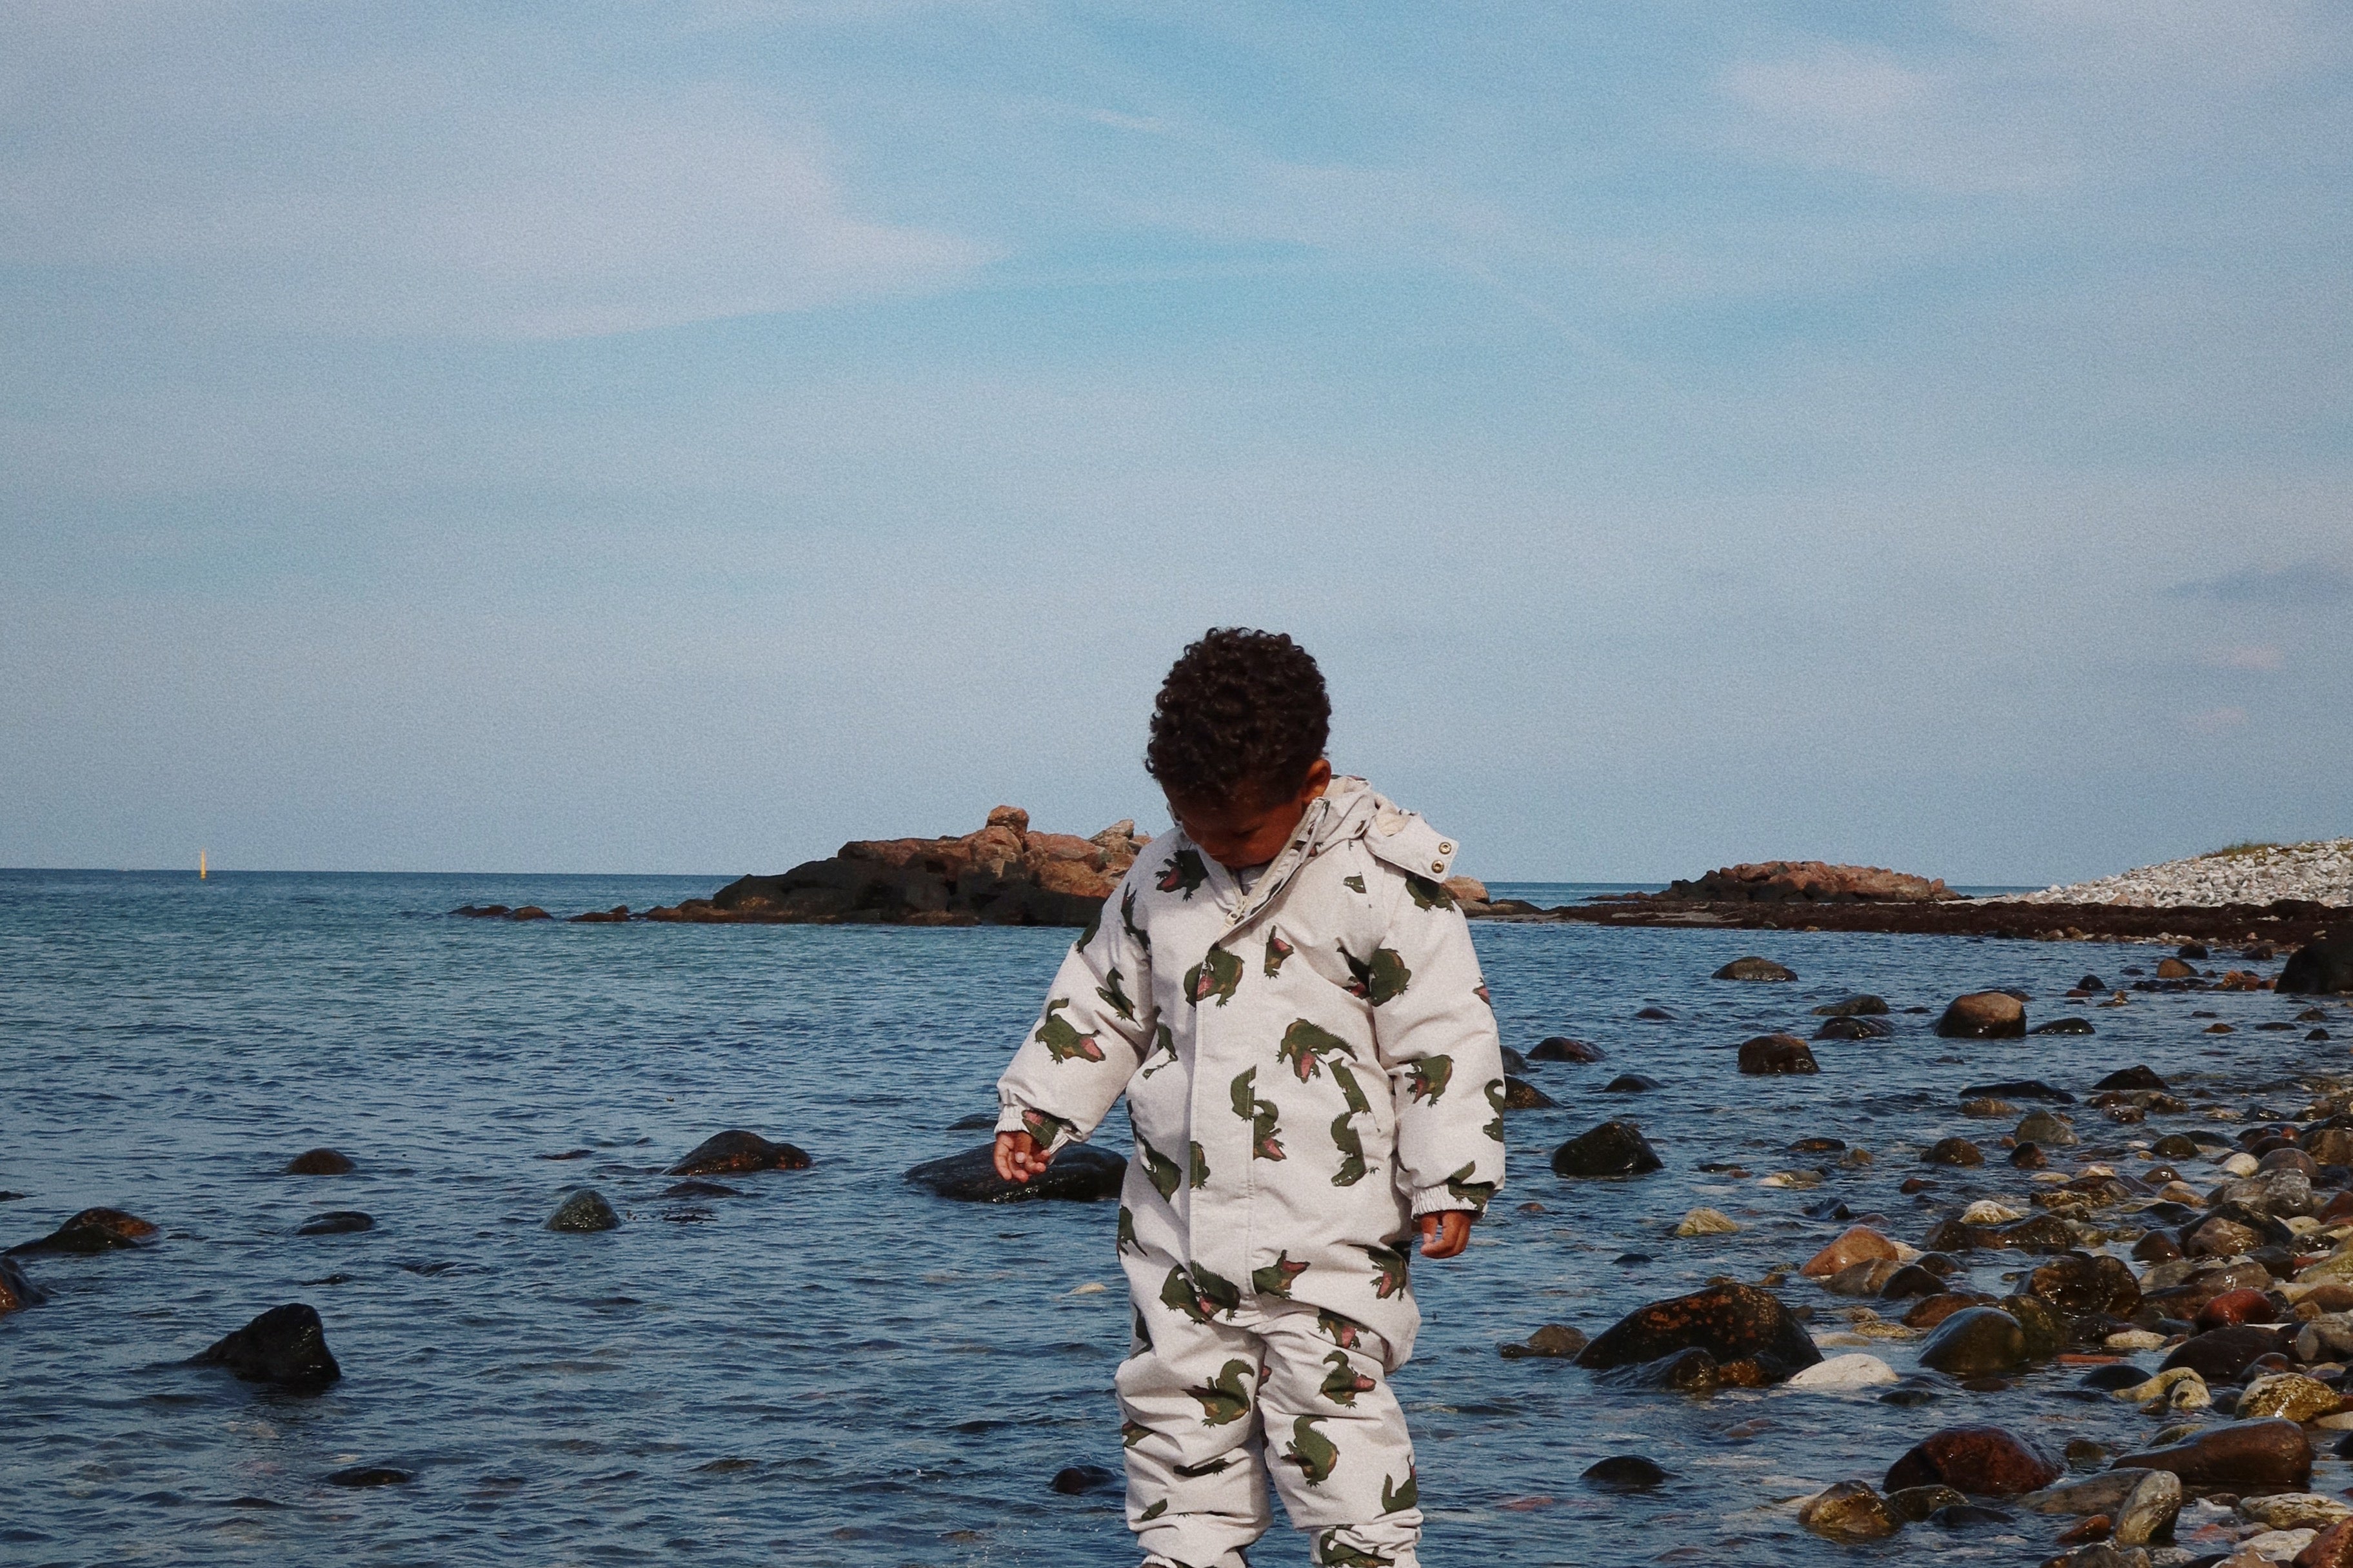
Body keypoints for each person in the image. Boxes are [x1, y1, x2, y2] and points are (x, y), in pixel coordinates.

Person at [993, 628, 1507, 1568]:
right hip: (1178, 1220)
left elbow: (1443, 1035)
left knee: (1341, 1434)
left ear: (1311, 782)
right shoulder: (1163, 874)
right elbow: (1103, 998)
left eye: (1237, 832)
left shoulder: (1385, 881)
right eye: (1192, 822)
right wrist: (1041, 1109)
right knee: (1175, 1420)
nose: (1215, 846)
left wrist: (1451, 1178)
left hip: (1331, 1225)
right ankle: (1186, 1554)